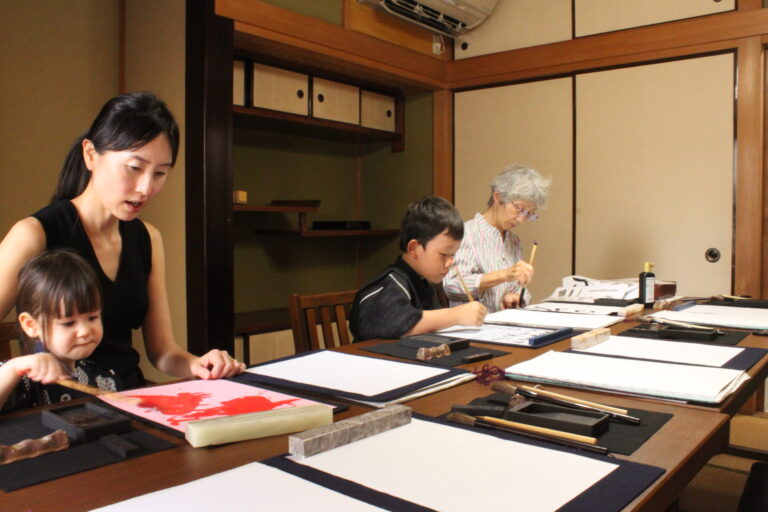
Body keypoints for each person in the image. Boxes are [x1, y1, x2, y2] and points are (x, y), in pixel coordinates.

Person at [0, 92, 244, 390]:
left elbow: (163, 351)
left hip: (129, 401)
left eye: (160, 173)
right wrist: (15, 368)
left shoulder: (148, 239)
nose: (145, 188)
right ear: (90, 155)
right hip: (61, 407)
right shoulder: (35, 234)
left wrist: (196, 364)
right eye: (134, 168)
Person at [350, 196, 487, 341]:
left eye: (453, 255)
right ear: (414, 249)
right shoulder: (391, 283)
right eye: (444, 254)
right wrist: (456, 315)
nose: (450, 263)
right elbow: (396, 322)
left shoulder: (423, 282)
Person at [0, 250, 105, 410]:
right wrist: (14, 368)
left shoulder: (102, 377)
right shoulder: (21, 377)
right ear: (31, 325)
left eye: (92, 318)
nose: (85, 331)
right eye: (68, 323)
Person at [443, 163, 550, 313]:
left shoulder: (514, 241)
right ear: (498, 197)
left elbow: (516, 287)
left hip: (504, 328)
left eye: (529, 214)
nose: (520, 219)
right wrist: (503, 275)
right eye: (519, 209)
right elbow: (452, 286)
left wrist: (516, 296)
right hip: (472, 329)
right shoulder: (467, 234)